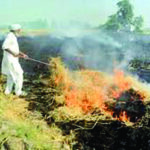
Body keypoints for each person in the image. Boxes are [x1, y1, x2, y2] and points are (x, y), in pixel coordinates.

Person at [1, 24, 28, 96]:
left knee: (10, 75)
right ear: (16, 30)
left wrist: (23, 54)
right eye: (19, 30)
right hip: (11, 60)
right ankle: (18, 92)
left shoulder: (13, 36)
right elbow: (4, 46)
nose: (20, 31)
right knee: (19, 74)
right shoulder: (10, 37)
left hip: (12, 59)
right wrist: (13, 54)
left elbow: (15, 49)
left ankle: (7, 92)